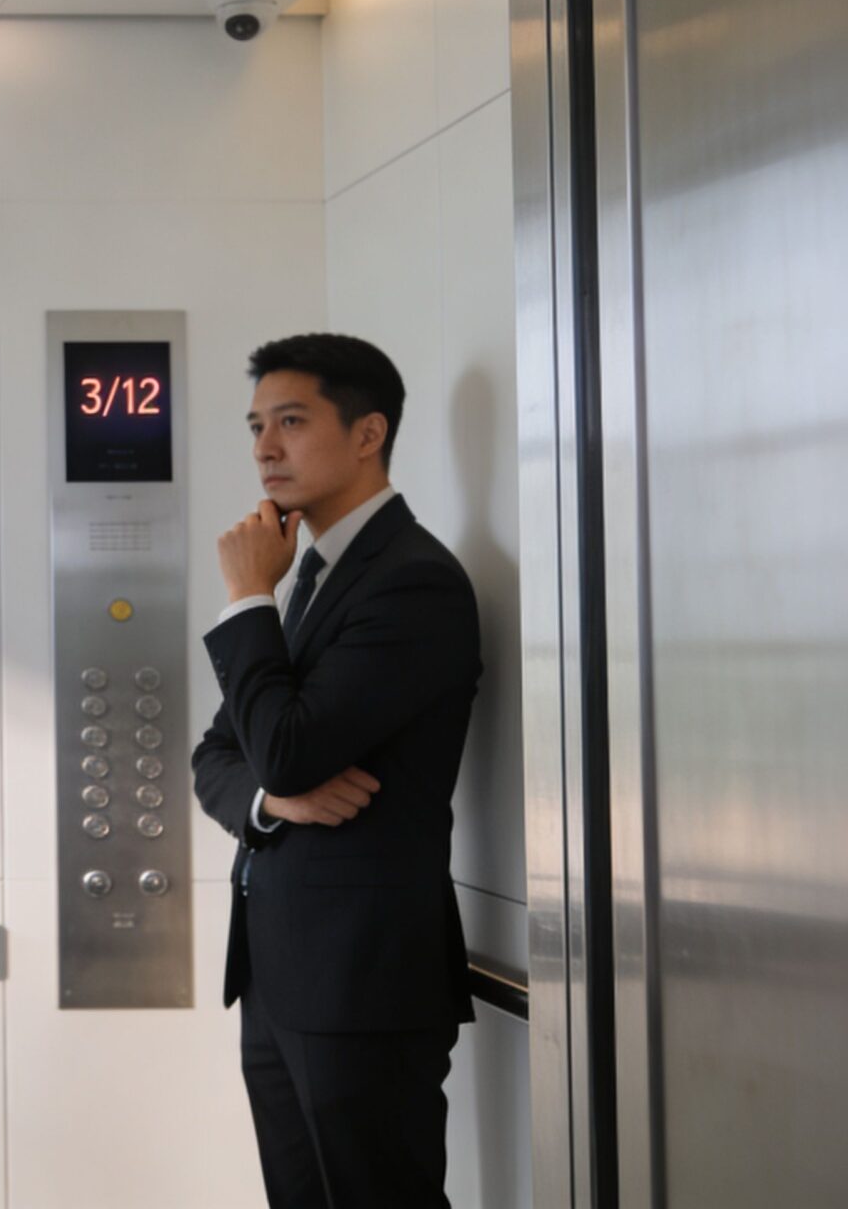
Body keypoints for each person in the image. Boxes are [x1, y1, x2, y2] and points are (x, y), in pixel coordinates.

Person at [191, 333, 481, 1208]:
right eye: (255, 427)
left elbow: (281, 744)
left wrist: (247, 596)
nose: (264, 449)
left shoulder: (412, 581)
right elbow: (219, 757)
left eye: (290, 421)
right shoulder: (315, 576)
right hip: (281, 979)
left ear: (368, 434)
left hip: (363, 985)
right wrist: (273, 802)